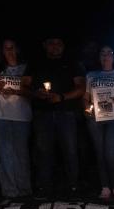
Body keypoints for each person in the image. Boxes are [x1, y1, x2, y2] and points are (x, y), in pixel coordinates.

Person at [24, 33, 85, 198]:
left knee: (70, 150)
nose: (55, 46)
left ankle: (73, 187)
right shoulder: (35, 63)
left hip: (66, 112)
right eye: (51, 43)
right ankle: (44, 188)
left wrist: (62, 97)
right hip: (42, 113)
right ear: (45, 45)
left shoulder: (72, 63)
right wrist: (36, 94)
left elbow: (81, 88)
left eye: (58, 43)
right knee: (43, 151)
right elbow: (24, 86)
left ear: (63, 46)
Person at [84, 44, 114, 199]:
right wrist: (86, 108)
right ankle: (105, 187)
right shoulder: (91, 75)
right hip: (96, 116)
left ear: (113, 57)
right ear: (99, 57)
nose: (106, 56)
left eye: (109, 53)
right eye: (102, 53)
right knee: (100, 152)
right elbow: (86, 97)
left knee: (110, 153)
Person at [0, 38, 32, 199]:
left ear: (17, 49)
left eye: (11, 48)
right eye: (6, 49)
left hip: (21, 116)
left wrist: (16, 91)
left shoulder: (25, 68)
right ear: (2, 51)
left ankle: (24, 190)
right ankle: (10, 191)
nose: (9, 51)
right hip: (0, 116)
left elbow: (32, 92)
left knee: (21, 154)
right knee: (5, 154)